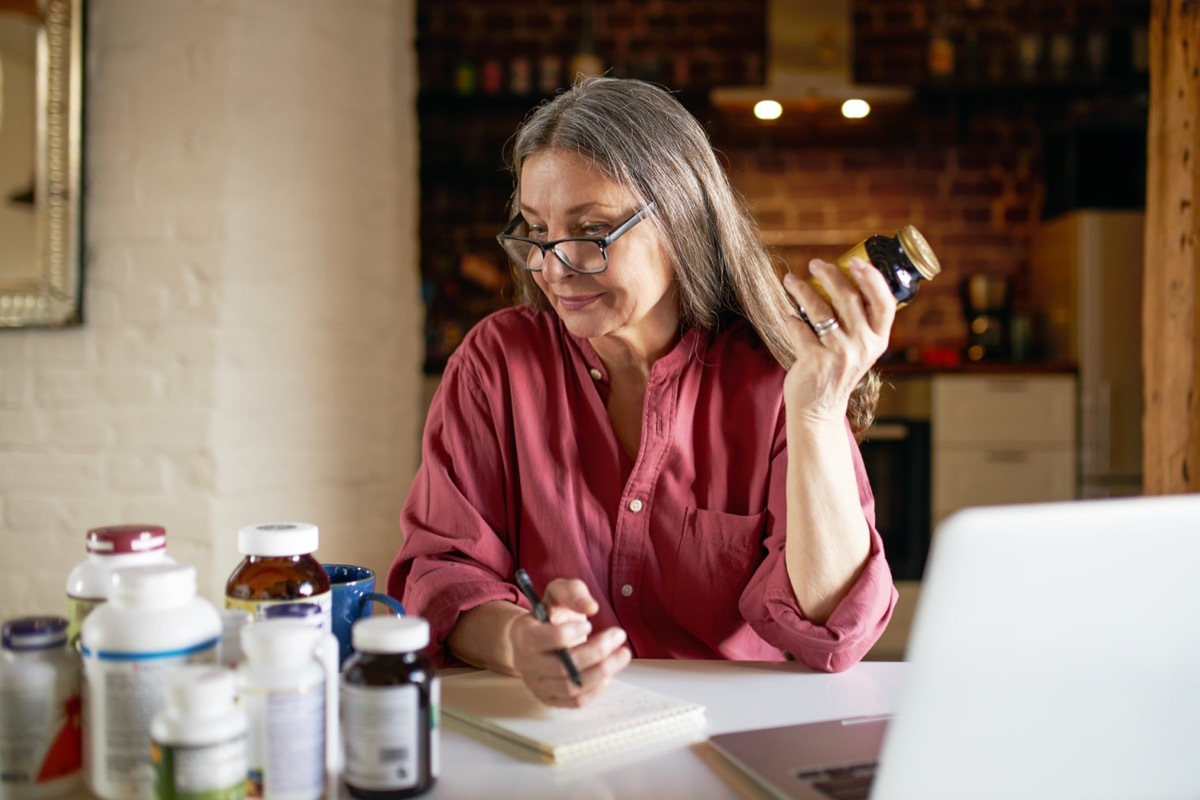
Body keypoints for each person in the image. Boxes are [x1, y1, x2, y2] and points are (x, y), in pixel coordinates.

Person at [388, 76, 898, 708]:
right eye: (536, 230)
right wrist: (521, 641)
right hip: (558, 733)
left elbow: (831, 633)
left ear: (681, 218)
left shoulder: (776, 377)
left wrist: (817, 411)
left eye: (590, 230)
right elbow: (442, 575)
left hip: (731, 732)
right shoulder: (496, 364)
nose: (551, 266)